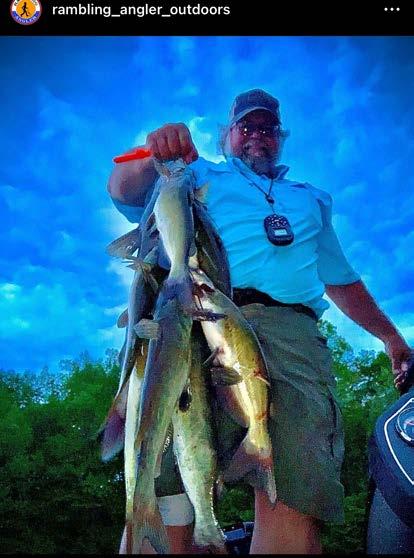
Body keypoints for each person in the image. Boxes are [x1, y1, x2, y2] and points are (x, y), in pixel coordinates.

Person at [108, 89, 413, 554]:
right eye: (246, 126)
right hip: (188, 317)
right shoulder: (196, 174)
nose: (257, 135)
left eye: (268, 128)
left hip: (289, 334)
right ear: (227, 135)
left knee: (295, 483)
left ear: (281, 137)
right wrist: (154, 150)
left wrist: (391, 338)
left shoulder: (311, 200)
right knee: (164, 481)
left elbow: (342, 279)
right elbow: (123, 188)